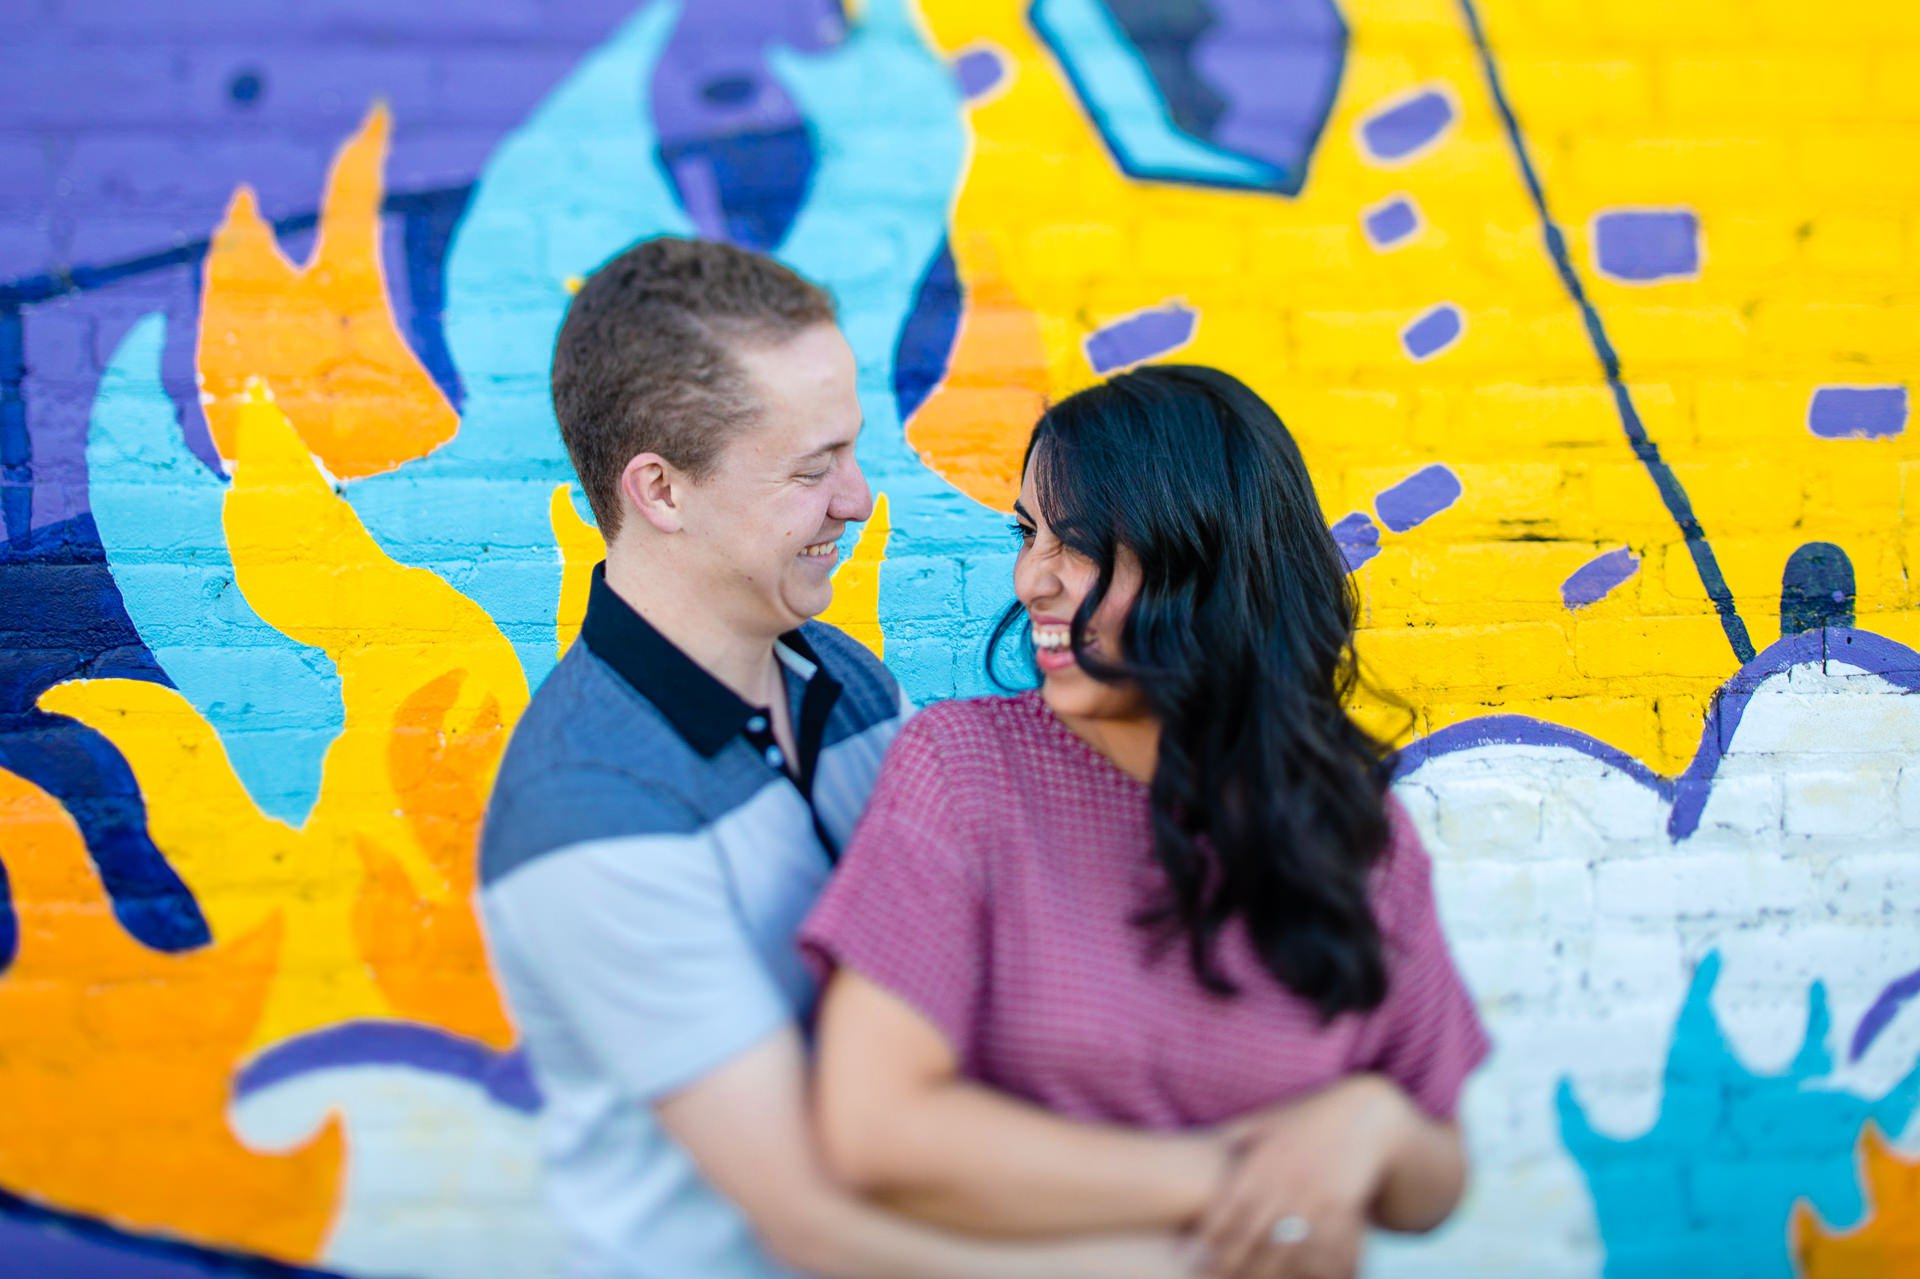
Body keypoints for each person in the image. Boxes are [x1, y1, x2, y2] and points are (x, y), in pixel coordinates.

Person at [475, 236, 1201, 1279]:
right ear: (661, 491)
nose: (858, 498)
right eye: (814, 469)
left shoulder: (847, 681)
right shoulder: (588, 814)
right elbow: (816, 1222)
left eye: (849, 453)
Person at [800, 365, 1491, 1279]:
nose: (1031, 579)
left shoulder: (1353, 826)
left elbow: (1434, 1183)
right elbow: (877, 1130)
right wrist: (1245, 1181)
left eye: (1075, 542)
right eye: (1028, 532)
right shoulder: (963, 770)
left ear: (1202, 557)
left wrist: (1374, 1125)